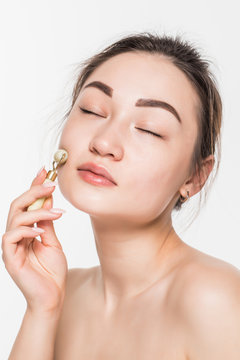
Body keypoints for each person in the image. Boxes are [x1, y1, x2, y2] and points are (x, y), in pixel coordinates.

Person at [2, 32, 240, 359]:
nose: (103, 143)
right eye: (92, 110)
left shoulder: (215, 299)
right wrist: (42, 310)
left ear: (195, 176)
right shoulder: (63, 294)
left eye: (149, 129)